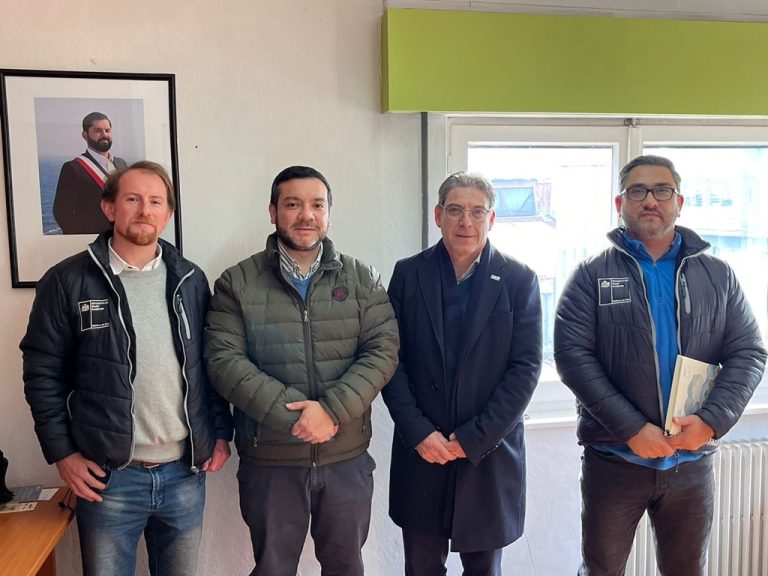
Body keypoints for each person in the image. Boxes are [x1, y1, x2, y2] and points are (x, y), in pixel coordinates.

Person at [554, 155, 767, 576]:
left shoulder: (718, 275)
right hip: (614, 461)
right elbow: (572, 356)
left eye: (662, 190)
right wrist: (632, 429)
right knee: (601, 570)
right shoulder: (591, 275)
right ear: (620, 204)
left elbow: (749, 352)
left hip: (691, 463)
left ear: (679, 202)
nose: (650, 200)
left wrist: (711, 422)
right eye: (637, 191)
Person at [21, 161, 233, 576]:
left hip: (184, 474)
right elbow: (41, 373)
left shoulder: (190, 280)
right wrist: (62, 453)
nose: (144, 210)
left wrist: (220, 432)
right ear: (109, 208)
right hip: (109, 478)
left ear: (167, 214)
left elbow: (209, 366)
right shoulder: (67, 281)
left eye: (155, 202)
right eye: (132, 199)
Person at [204, 165, 399, 576]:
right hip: (271, 461)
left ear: (329, 213)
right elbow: (224, 362)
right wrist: (298, 416)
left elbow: (382, 350)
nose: (306, 215)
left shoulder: (362, 279)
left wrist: (330, 411)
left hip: (345, 457)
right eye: (293, 204)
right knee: (273, 569)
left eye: (317, 205)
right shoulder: (236, 283)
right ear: (273, 212)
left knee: (346, 568)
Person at [382, 172, 543, 576]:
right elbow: (389, 360)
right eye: (455, 210)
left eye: (477, 212)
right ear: (438, 215)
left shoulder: (519, 280)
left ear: (492, 219)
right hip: (423, 450)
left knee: (484, 569)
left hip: (487, 455)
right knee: (421, 567)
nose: (465, 222)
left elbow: (525, 368)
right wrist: (418, 432)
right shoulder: (408, 274)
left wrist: (473, 438)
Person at [53, 111, 128, 234]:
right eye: (97, 131)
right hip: (92, 239)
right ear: (85, 135)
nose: (104, 135)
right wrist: (81, 238)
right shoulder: (73, 168)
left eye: (107, 130)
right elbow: (61, 212)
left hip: (120, 236)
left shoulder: (121, 164)